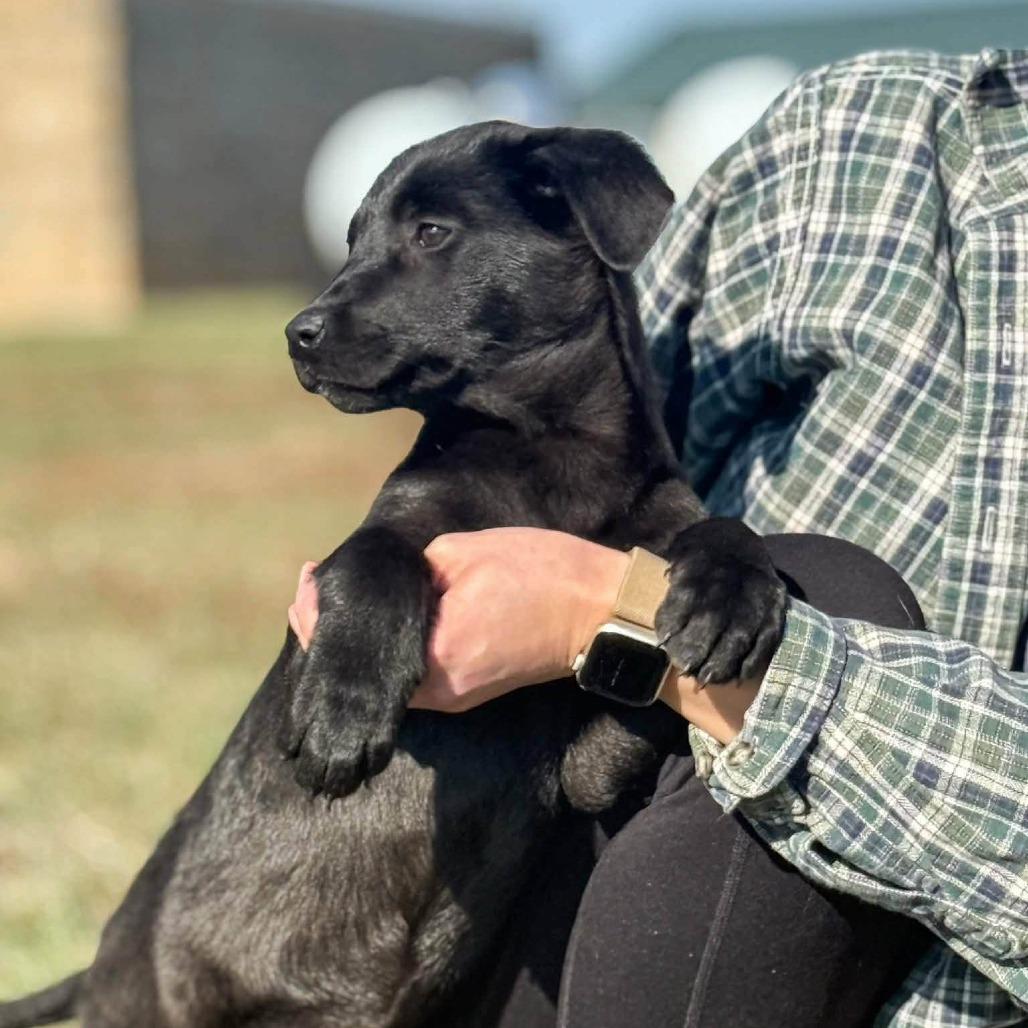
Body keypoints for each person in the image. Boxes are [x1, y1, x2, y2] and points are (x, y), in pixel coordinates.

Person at [290, 49, 1028, 1027]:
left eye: (425, 233)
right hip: (604, 899)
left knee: (828, 588)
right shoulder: (860, 131)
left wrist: (607, 615)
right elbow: (605, 403)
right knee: (801, 573)